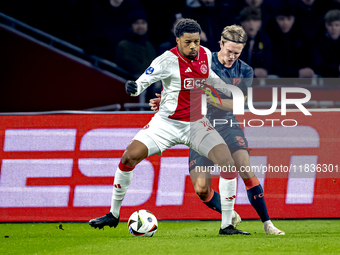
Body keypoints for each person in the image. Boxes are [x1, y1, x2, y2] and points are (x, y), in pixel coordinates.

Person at [89, 18, 250, 235]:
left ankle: (227, 225)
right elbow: (143, 81)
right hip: (166, 124)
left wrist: (226, 88)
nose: (193, 46)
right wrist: (133, 88)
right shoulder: (166, 60)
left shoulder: (205, 54)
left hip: (196, 124)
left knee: (227, 163)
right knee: (129, 157)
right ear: (177, 41)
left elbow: (208, 77)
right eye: (188, 42)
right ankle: (113, 214)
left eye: (196, 41)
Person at [150, 25, 285, 235]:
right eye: (228, 51)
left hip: (227, 124)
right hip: (198, 127)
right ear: (220, 44)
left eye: (237, 53)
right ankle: (229, 213)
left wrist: (207, 96)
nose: (231, 57)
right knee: (202, 190)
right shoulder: (201, 60)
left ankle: (267, 224)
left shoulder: (245, 70)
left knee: (244, 167)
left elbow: (237, 105)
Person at [300, 9, 340, 78]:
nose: (333, 28)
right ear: (325, 25)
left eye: (337, 25)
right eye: (330, 25)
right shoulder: (316, 42)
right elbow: (317, 65)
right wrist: (337, 68)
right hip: (323, 77)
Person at [238, 7, 273, 80]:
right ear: (241, 23)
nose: (251, 23)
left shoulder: (264, 39)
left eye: (255, 20)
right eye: (247, 20)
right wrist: (252, 71)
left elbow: (268, 62)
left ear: (260, 23)